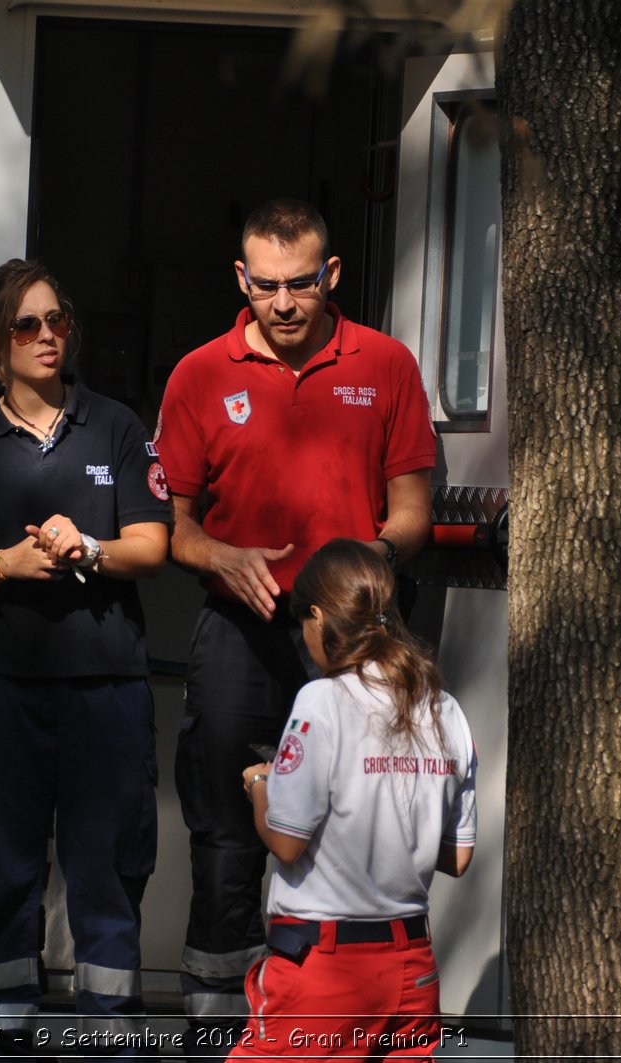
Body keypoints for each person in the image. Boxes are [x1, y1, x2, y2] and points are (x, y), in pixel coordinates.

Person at [153, 198, 437, 1037]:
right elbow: (171, 526)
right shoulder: (199, 373)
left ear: (332, 275)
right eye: (265, 285)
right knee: (228, 834)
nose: (282, 303)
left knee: (362, 825)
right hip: (241, 631)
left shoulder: (386, 364)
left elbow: (413, 511)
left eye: (301, 284)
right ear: (241, 278)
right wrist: (221, 557)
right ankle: (221, 1034)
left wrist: (365, 568)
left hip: (356, 636)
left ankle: (337, 1030)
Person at [0, 259, 172, 1046]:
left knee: (106, 882)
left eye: (58, 319)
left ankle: (111, 1040)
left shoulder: (118, 428)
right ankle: (2, 1037)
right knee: (4, 880)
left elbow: (153, 546)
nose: (48, 336)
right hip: (2, 692)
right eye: (28, 324)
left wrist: (88, 547)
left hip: (107, 691)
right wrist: (8, 563)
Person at [231, 539, 476, 1058]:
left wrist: (260, 784)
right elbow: (457, 857)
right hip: (413, 968)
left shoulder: (322, 699)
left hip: (327, 967)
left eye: (304, 623)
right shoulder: (444, 707)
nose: (306, 637)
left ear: (318, 616)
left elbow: (287, 843)